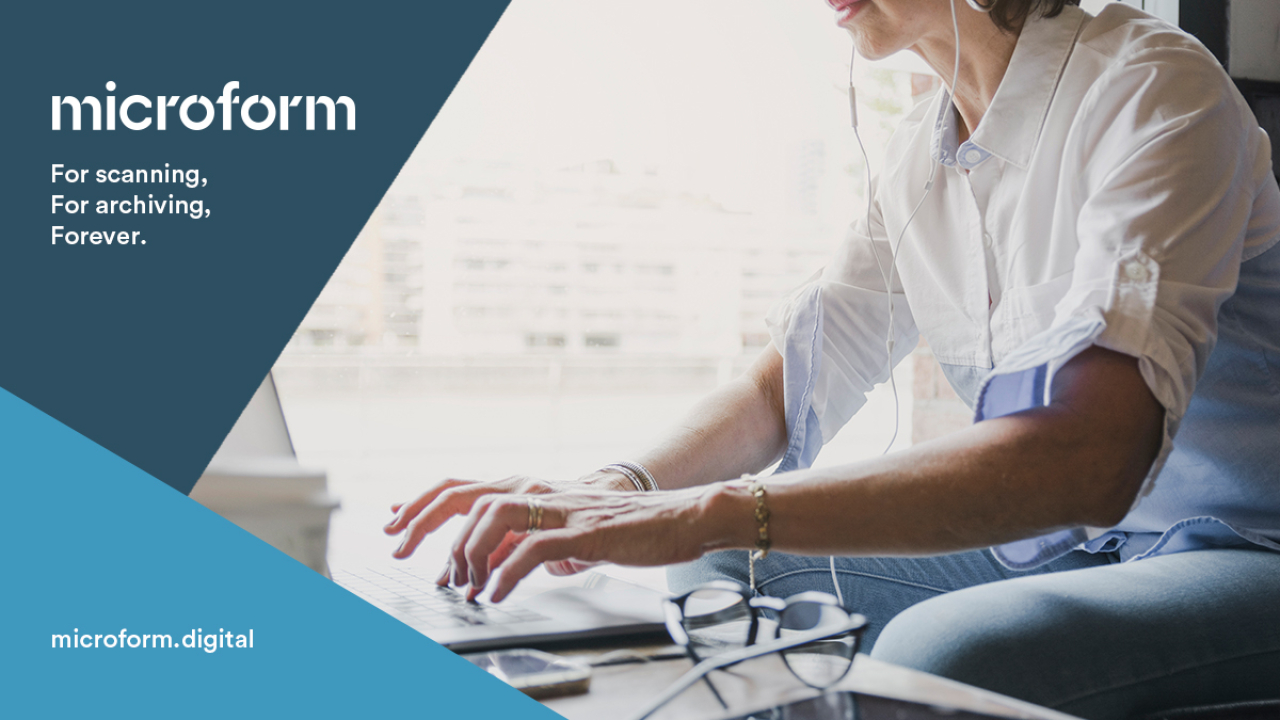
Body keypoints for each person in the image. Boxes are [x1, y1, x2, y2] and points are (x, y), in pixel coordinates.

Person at [384, 1, 1280, 716]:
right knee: (719, 572)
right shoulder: (919, 156)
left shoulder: (1154, 89)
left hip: (1242, 550)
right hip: (1061, 549)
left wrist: (710, 507)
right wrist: (622, 487)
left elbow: (1085, 456)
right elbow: (787, 379)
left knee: (941, 654)